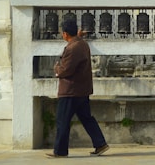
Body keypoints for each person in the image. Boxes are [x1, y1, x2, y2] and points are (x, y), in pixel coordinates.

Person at [46, 20, 109, 158]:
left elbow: (65, 70)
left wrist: (57, 68)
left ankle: (60, 151)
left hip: (70, 91)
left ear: (65, 34)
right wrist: (78, 36)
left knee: (63, 120)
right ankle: (100, 143)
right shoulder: (82, 44)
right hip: (82, 90)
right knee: (86, 118)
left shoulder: (72, 48)